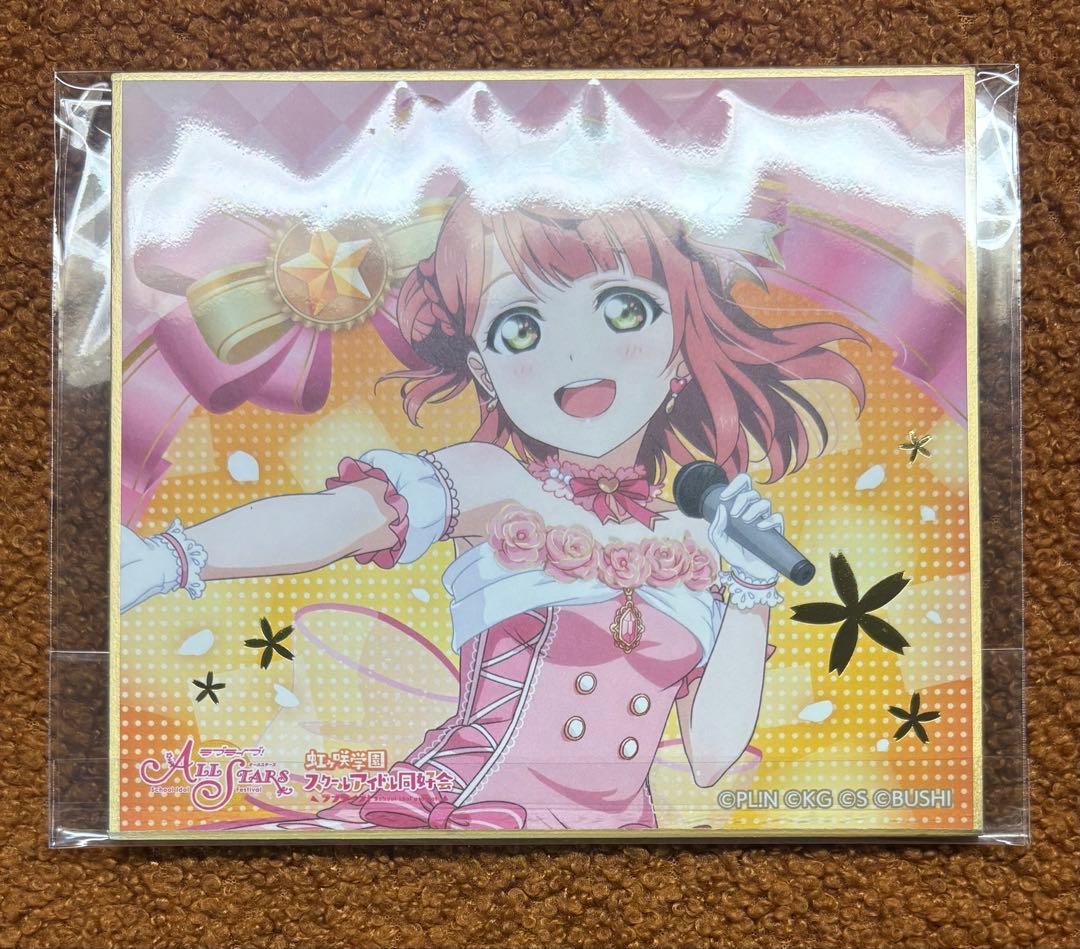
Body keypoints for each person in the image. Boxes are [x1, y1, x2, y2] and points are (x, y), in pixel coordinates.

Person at [120, 198, 864, 831]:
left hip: (615, 846)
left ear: (681, 349)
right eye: (522, 329)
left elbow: (711, 755)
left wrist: (752, 588)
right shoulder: (499, 484)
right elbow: (337, 521)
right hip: (466, 816)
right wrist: (168, 559)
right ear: (484, 370)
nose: (577, 354)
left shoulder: (704, 539)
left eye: (623, 309)